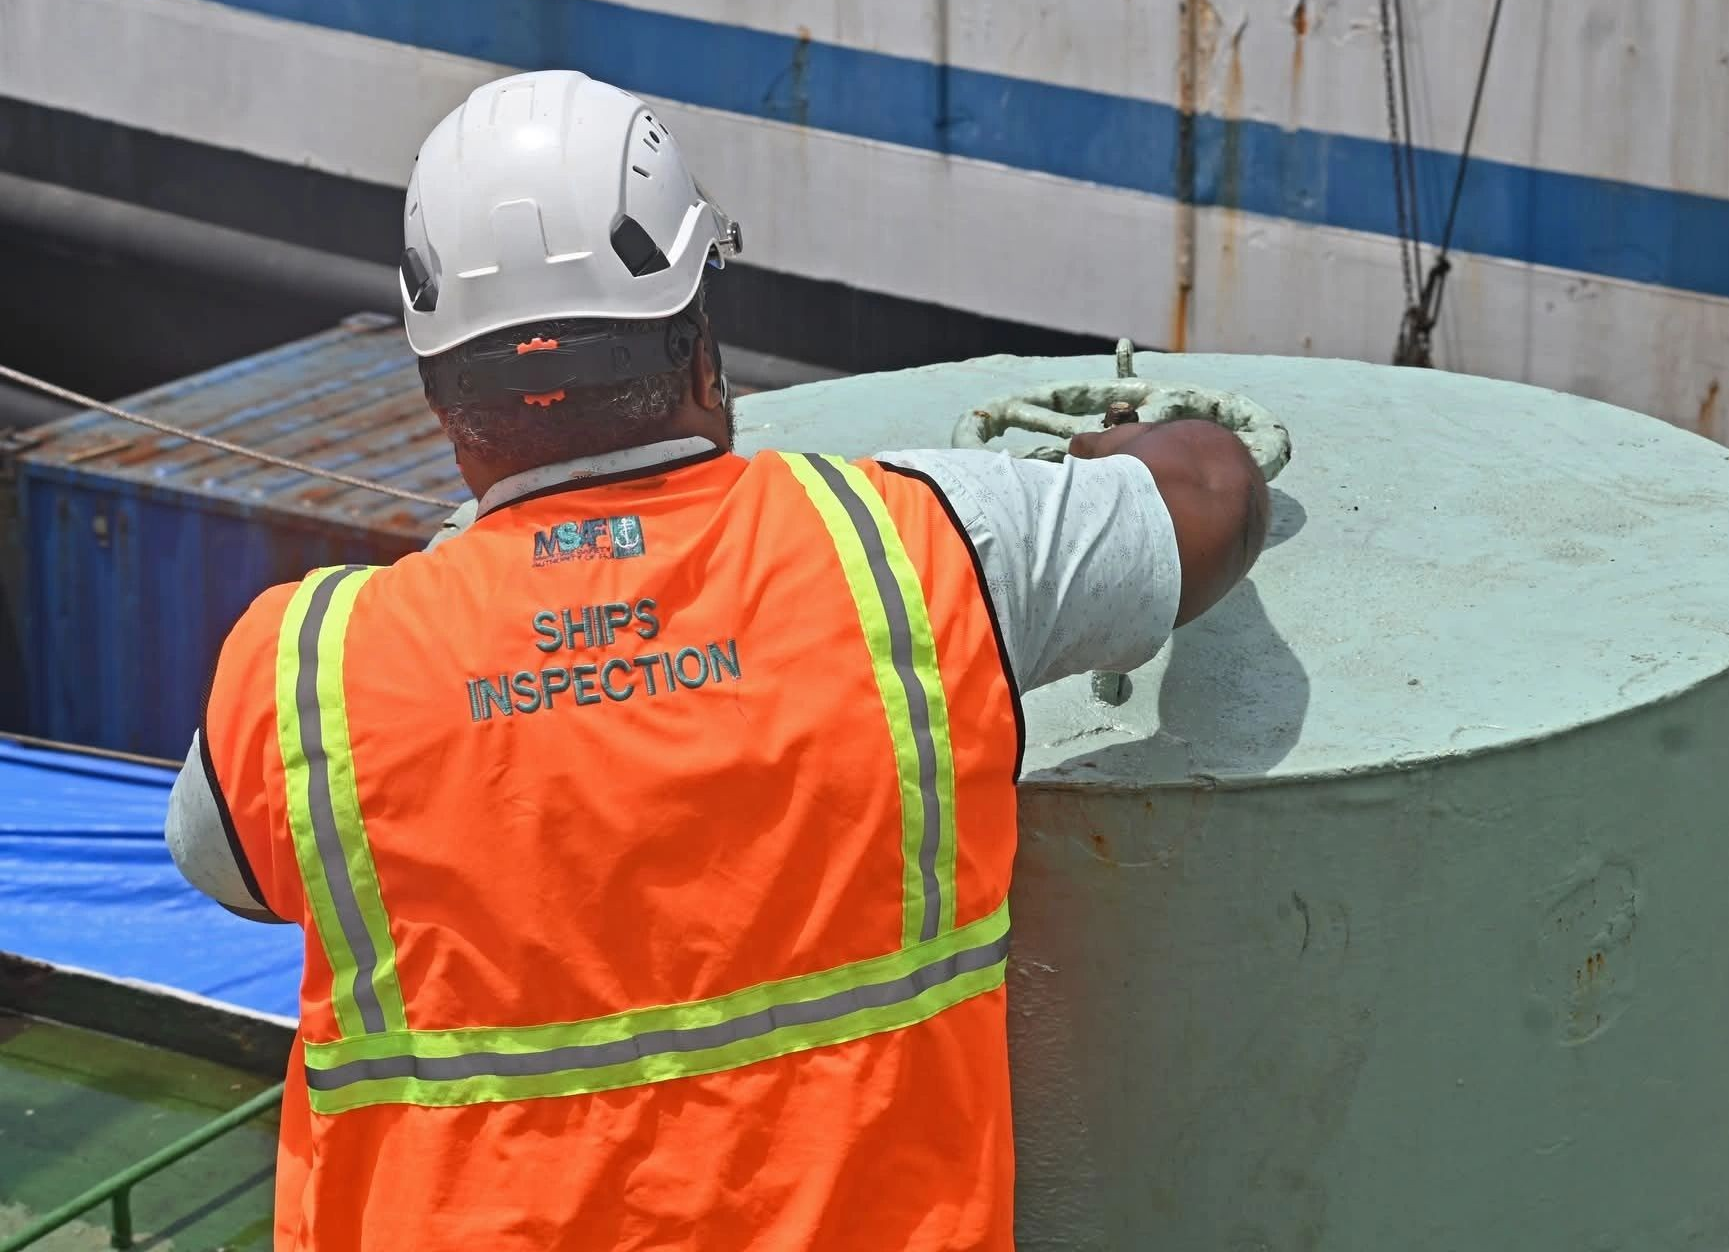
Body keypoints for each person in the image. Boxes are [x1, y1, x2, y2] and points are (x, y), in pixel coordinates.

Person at [164, 69, 1267, 1251]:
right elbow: (1209, 494)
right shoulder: (911, 553)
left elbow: (219, 860)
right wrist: (1125, 440)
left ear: (441, 395)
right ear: (701, 341)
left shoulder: (310, 668)